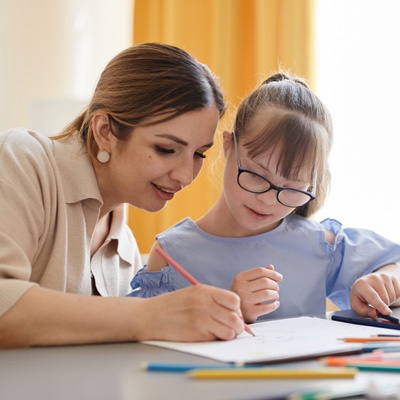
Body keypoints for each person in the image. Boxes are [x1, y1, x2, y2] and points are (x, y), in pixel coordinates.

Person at [0, 43, 247, 348]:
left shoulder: (125, 250)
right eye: (166, 149)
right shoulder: (21, 160)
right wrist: (152, 315)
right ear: (105, 130)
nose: (185, 176)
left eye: (199, 154)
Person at [128, 72, 400, 323]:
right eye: (257, 175)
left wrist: (384, 282)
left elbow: (393, 265)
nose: (269, 200)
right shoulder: (172, 254)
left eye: (292, 188)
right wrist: (230, 312)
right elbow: (148, 339)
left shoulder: (319, 244)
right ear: (227, 145)